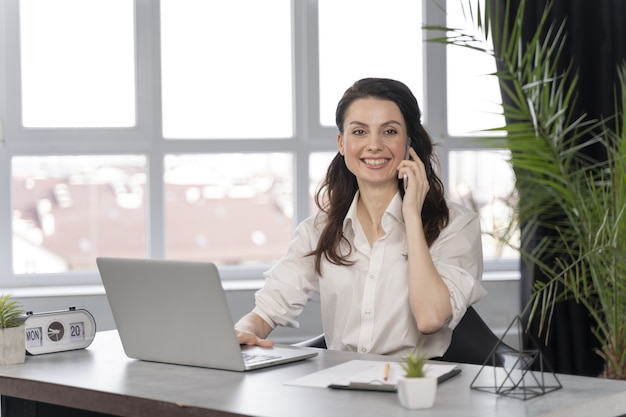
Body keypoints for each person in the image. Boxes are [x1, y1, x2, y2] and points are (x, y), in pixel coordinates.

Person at [235, 78, 486, 357]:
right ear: (342, 144)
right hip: (339, 388)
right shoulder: (318, 231)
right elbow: (268, 309)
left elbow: (430, 319)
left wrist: (412, 217)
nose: (374, 145)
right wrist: (244, 331)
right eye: (359, 132)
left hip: (418, 390)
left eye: (389, 131)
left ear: (409, 143)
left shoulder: (456, 225)